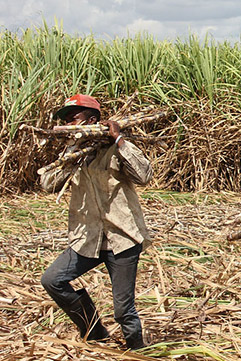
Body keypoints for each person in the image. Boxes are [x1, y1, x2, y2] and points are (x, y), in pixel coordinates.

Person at [39, 94, 152, 350]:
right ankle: (94, 332)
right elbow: (47, 184)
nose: (68, 125)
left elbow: (144, 175)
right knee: (52, 280)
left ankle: (139, 351)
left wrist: (119, 139)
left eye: (73, 119)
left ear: (92, 120)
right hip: (87, 239)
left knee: (123, 310)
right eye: (66, 121)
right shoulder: (72, 153)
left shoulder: (117, 149)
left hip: (122, 238)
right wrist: (71, 156)